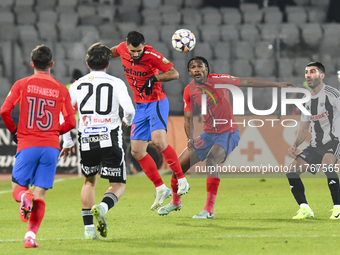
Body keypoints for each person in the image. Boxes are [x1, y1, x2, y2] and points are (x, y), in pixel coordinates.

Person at [157, 56, 295, 218]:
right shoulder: (189, 90)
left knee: (211, 160)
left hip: (228, 133)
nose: (197, 70)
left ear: (207, 69)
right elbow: (188, 118)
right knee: (178, 168)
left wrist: (277, 85)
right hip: (208, 135)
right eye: (193, 67)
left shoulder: (220, 80)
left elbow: (247, 83)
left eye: (200, 67)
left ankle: (208, 210)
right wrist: (190, 138)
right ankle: (175, 202)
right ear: (189, 72)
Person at [0, 45, 76, 247]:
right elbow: (71, 122)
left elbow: (4, 111)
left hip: (28, 143)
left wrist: (14, 131)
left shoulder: (22, 84)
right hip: (51, 147)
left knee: (18, 187)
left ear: (32, 64)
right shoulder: (61, 89)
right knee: (40, 194)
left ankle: (24, 196)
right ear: (52, 64)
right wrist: (54, 133)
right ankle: (30, 237)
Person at [60, 42, 135, 239]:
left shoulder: (76, 85)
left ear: (87, 63)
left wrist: (67, 142)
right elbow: (129, 110)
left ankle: (88, 230)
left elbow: (64, 114)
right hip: (110, 137)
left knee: (89, 182)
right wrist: (126, 121)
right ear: (108, 63)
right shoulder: (116, 83)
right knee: (118, 184)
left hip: (86, 139)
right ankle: (103, 207)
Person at [110, 31, 190, 211]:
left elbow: (174, 73)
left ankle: (182, 179)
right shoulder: (122, 49)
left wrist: (155, 77)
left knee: (158, 141)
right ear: (127, 46)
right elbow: (110, 52)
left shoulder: (152, 55)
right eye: (133, 51)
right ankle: (161, 188)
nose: (136, 54)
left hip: (156, 102)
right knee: (137, 151)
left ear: (143, 46)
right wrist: (97, 53)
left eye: (139, 51)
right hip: (140, 106)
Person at [285, 62, 340, 219]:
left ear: (322, 76)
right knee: (291, 170)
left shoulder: (333, 94)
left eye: (313, 72)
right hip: (316, 145)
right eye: (306, 72)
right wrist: (295, 145)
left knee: (328, 166)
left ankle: (338, 207)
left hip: (335, 141)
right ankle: (305, 208)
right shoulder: (306, 100)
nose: (308, 75)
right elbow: (303, 128)